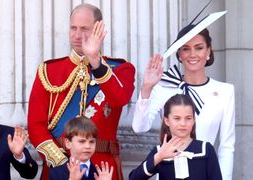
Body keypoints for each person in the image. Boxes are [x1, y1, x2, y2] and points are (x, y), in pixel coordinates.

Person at [27, 3, 135, 180]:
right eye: (73, 28)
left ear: (99, 30)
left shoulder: (121, 70)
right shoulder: (48, 71)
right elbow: (35, 125)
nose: (77, 35)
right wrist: (61, 162)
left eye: (85, 29)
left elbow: (119, 98)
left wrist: (95, 63)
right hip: (60, 164)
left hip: (103, 168)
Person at [132, 25, 235, 180]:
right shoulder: (164, 87)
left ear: (208, 51)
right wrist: (147, 88)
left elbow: (226, 147)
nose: (192, 54)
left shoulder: (225, 91)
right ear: (179, 54)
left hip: (204, 171)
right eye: (186, 49)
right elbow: (139, 127)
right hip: (168, 171)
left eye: (199, 48)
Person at [130, 94, 222, 180]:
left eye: (188, 118)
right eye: (177, 118)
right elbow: (133, 178)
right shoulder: (160, 151)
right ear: (167, 121)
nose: (183, 123)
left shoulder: (206, 150)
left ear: (194, 120)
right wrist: (159, 157)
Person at [49, 116, 113, 180]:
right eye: (82, 141)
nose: (88, 146)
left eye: (92, 141)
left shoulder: (101, 173)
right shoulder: (56, 173)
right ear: (68, 143)